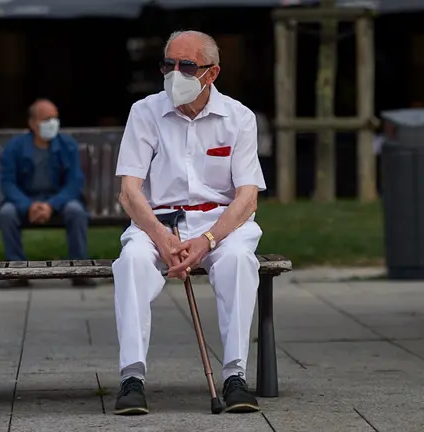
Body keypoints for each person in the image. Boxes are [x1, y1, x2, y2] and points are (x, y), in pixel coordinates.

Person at [112, 30, 266, 415]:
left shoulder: (239, 117)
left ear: (211, 73)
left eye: (185, 66)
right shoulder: (144, 111)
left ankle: (234, 376)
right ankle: (131, 377)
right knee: (131, 262)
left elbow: (247, 197)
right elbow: (129, 192)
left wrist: (209, 240)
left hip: (221, 223)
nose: (173, 73)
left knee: (238, 262)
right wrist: (162, 238)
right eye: (168, 64)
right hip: (158, 222)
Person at [0, 98, 96, 288]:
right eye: (46, 119)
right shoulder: (14, 147)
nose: (53, 123)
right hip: (25, 201)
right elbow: (8, 184)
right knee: (6, 213)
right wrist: (29, 206)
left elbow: (74, 183)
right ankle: (17, 272)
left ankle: (79, 269)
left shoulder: (68, 145)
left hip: (59, 201)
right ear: (33, 123)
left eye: (55, 118)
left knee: (76, 211)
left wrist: (52, 205)